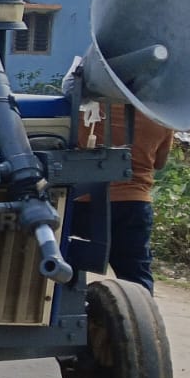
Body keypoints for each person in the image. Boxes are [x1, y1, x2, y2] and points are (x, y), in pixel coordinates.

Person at [74, 103, 174, 293]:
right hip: (134, 203)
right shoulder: (162, 114)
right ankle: (142, 319)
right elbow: (160, 163)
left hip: (85, 201)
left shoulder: (87, 108)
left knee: (67, 264)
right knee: (136, 274)